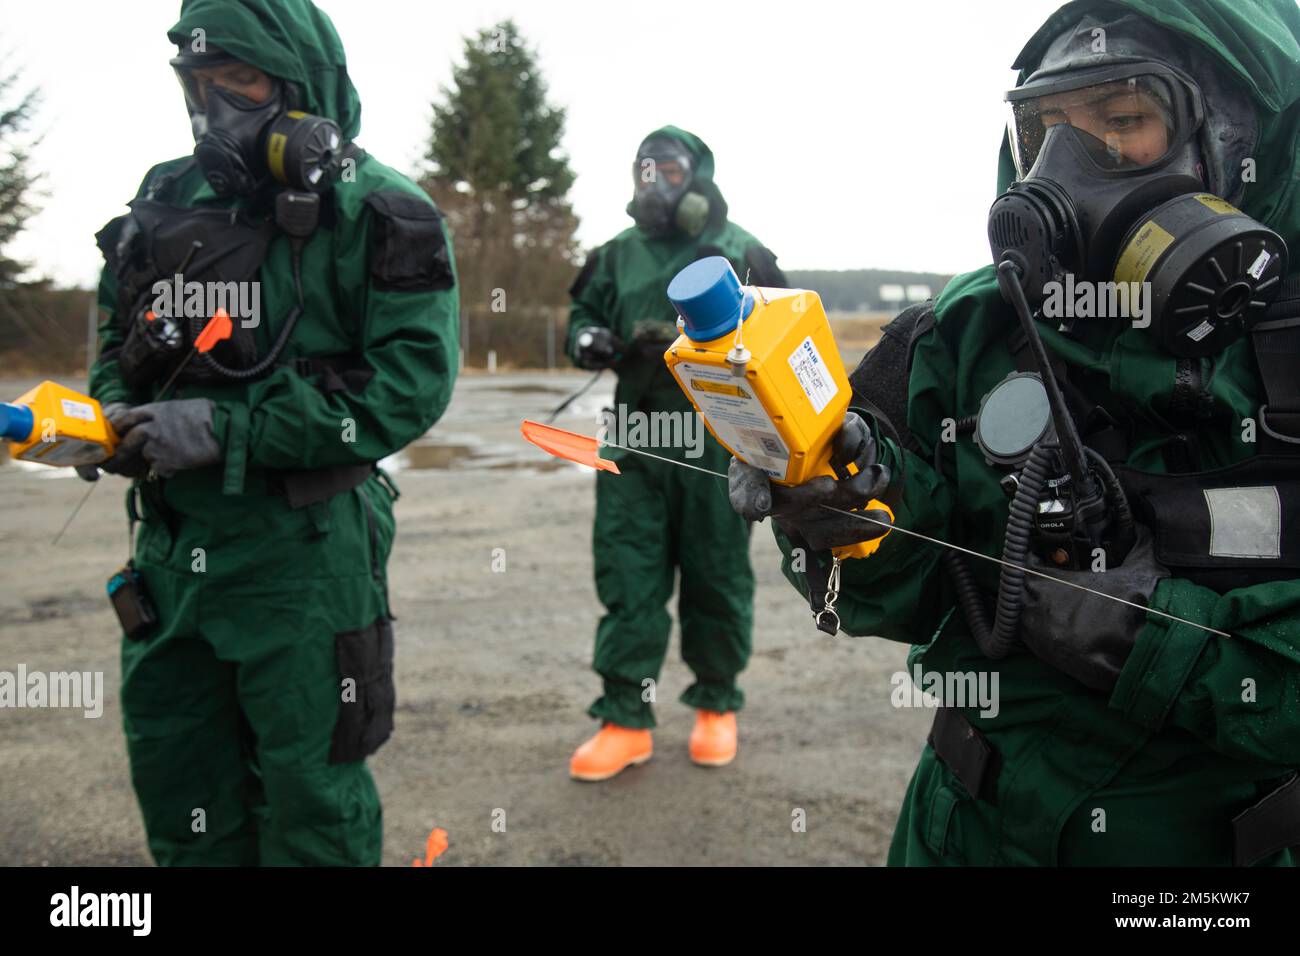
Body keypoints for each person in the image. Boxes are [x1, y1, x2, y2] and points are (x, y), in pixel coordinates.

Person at [730, 0, 1300, 865]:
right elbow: (907, 592)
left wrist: (1157, 645)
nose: (1067, 167)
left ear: (1238, 135)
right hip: (964, 829)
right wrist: (844, 515)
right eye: (1043, 130)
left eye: (1123, 120)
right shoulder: (966, 328)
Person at [83, 0, 459, 865]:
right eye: (199, 84)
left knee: (310, 797)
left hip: (305, 554)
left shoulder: (381, 209)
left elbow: (409, 386)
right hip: (171, 549)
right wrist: (112, 417)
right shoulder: (164, 196)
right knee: (182, 782)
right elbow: (113, 337)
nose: (215, 107)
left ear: (301, 86)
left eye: (241, 81)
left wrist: (230, 428)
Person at [565, 126, 787, 780]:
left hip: (715, 440)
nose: (655, 182)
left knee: (716, 573)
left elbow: (781, 325)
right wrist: (589, 338)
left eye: (669, 170)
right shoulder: (613, 255)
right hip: (634, 441)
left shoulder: (740, 249)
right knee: (628, 574)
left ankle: (716, 703)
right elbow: (580, 314)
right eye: (645, 170)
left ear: (696, 178)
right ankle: (624, 719)